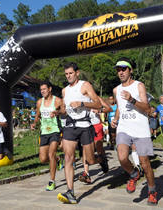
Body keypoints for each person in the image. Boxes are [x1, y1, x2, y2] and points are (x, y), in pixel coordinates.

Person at [57, 62, 107, 204]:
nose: (68, 76)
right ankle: (70, 192)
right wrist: (59, 112)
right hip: (70, 126)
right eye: (66, 74)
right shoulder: (64, 91)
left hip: (85, 125)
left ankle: (101, 160)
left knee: (90, 160)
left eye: (71, 73)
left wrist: (82, 104)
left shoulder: (85, 85)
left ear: (77, 73)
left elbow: (98, 104)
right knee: (68, 157)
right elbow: (66, 110)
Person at [111, 57, 158, 206]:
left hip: (140, 129)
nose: (121, 72)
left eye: (124, 69)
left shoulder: (139, 86)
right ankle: (133, 174)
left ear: (130, 70)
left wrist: (132, 100)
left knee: (145, 163)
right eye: (118, 70)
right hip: (124, 127)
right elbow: (120, 106)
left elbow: (147, 108)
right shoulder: (116, 90)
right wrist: (116, 119)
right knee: (122, 157)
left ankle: (152, 191)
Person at [31, 81, 64, 191]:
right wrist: (34, 123)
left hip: (55, 131)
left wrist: (56, 113)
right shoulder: (40, 102)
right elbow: (37, 115)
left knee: (51, 154)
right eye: (41, 90)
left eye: (44, 89)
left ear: (50, 89)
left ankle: (52, 181)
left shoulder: (57, 100)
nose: (42, 92)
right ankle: (58, 159)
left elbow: (64, 111)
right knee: (43, 159)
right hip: (44, 132)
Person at [79, 96, 112, 184]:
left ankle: (103, 160)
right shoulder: (79, 99)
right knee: (85, 150)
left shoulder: (96, 98)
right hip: (85, 126)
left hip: (96, 126)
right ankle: (86, 174)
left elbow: (109, 109)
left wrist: (100, 110)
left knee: (99, 148)